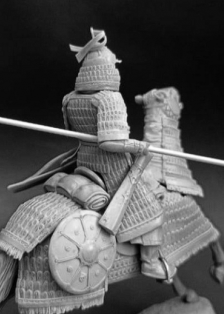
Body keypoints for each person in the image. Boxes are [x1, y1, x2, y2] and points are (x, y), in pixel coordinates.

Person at [62, 28, 172, 279]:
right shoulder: (109, 99)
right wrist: (137, 146)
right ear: (107, 68)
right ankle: (150, 262)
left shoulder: (70, 99)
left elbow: (72, 132)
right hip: (112, 168)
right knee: (150, 208)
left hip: (84, 161)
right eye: (114, 65)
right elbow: (109, 143)